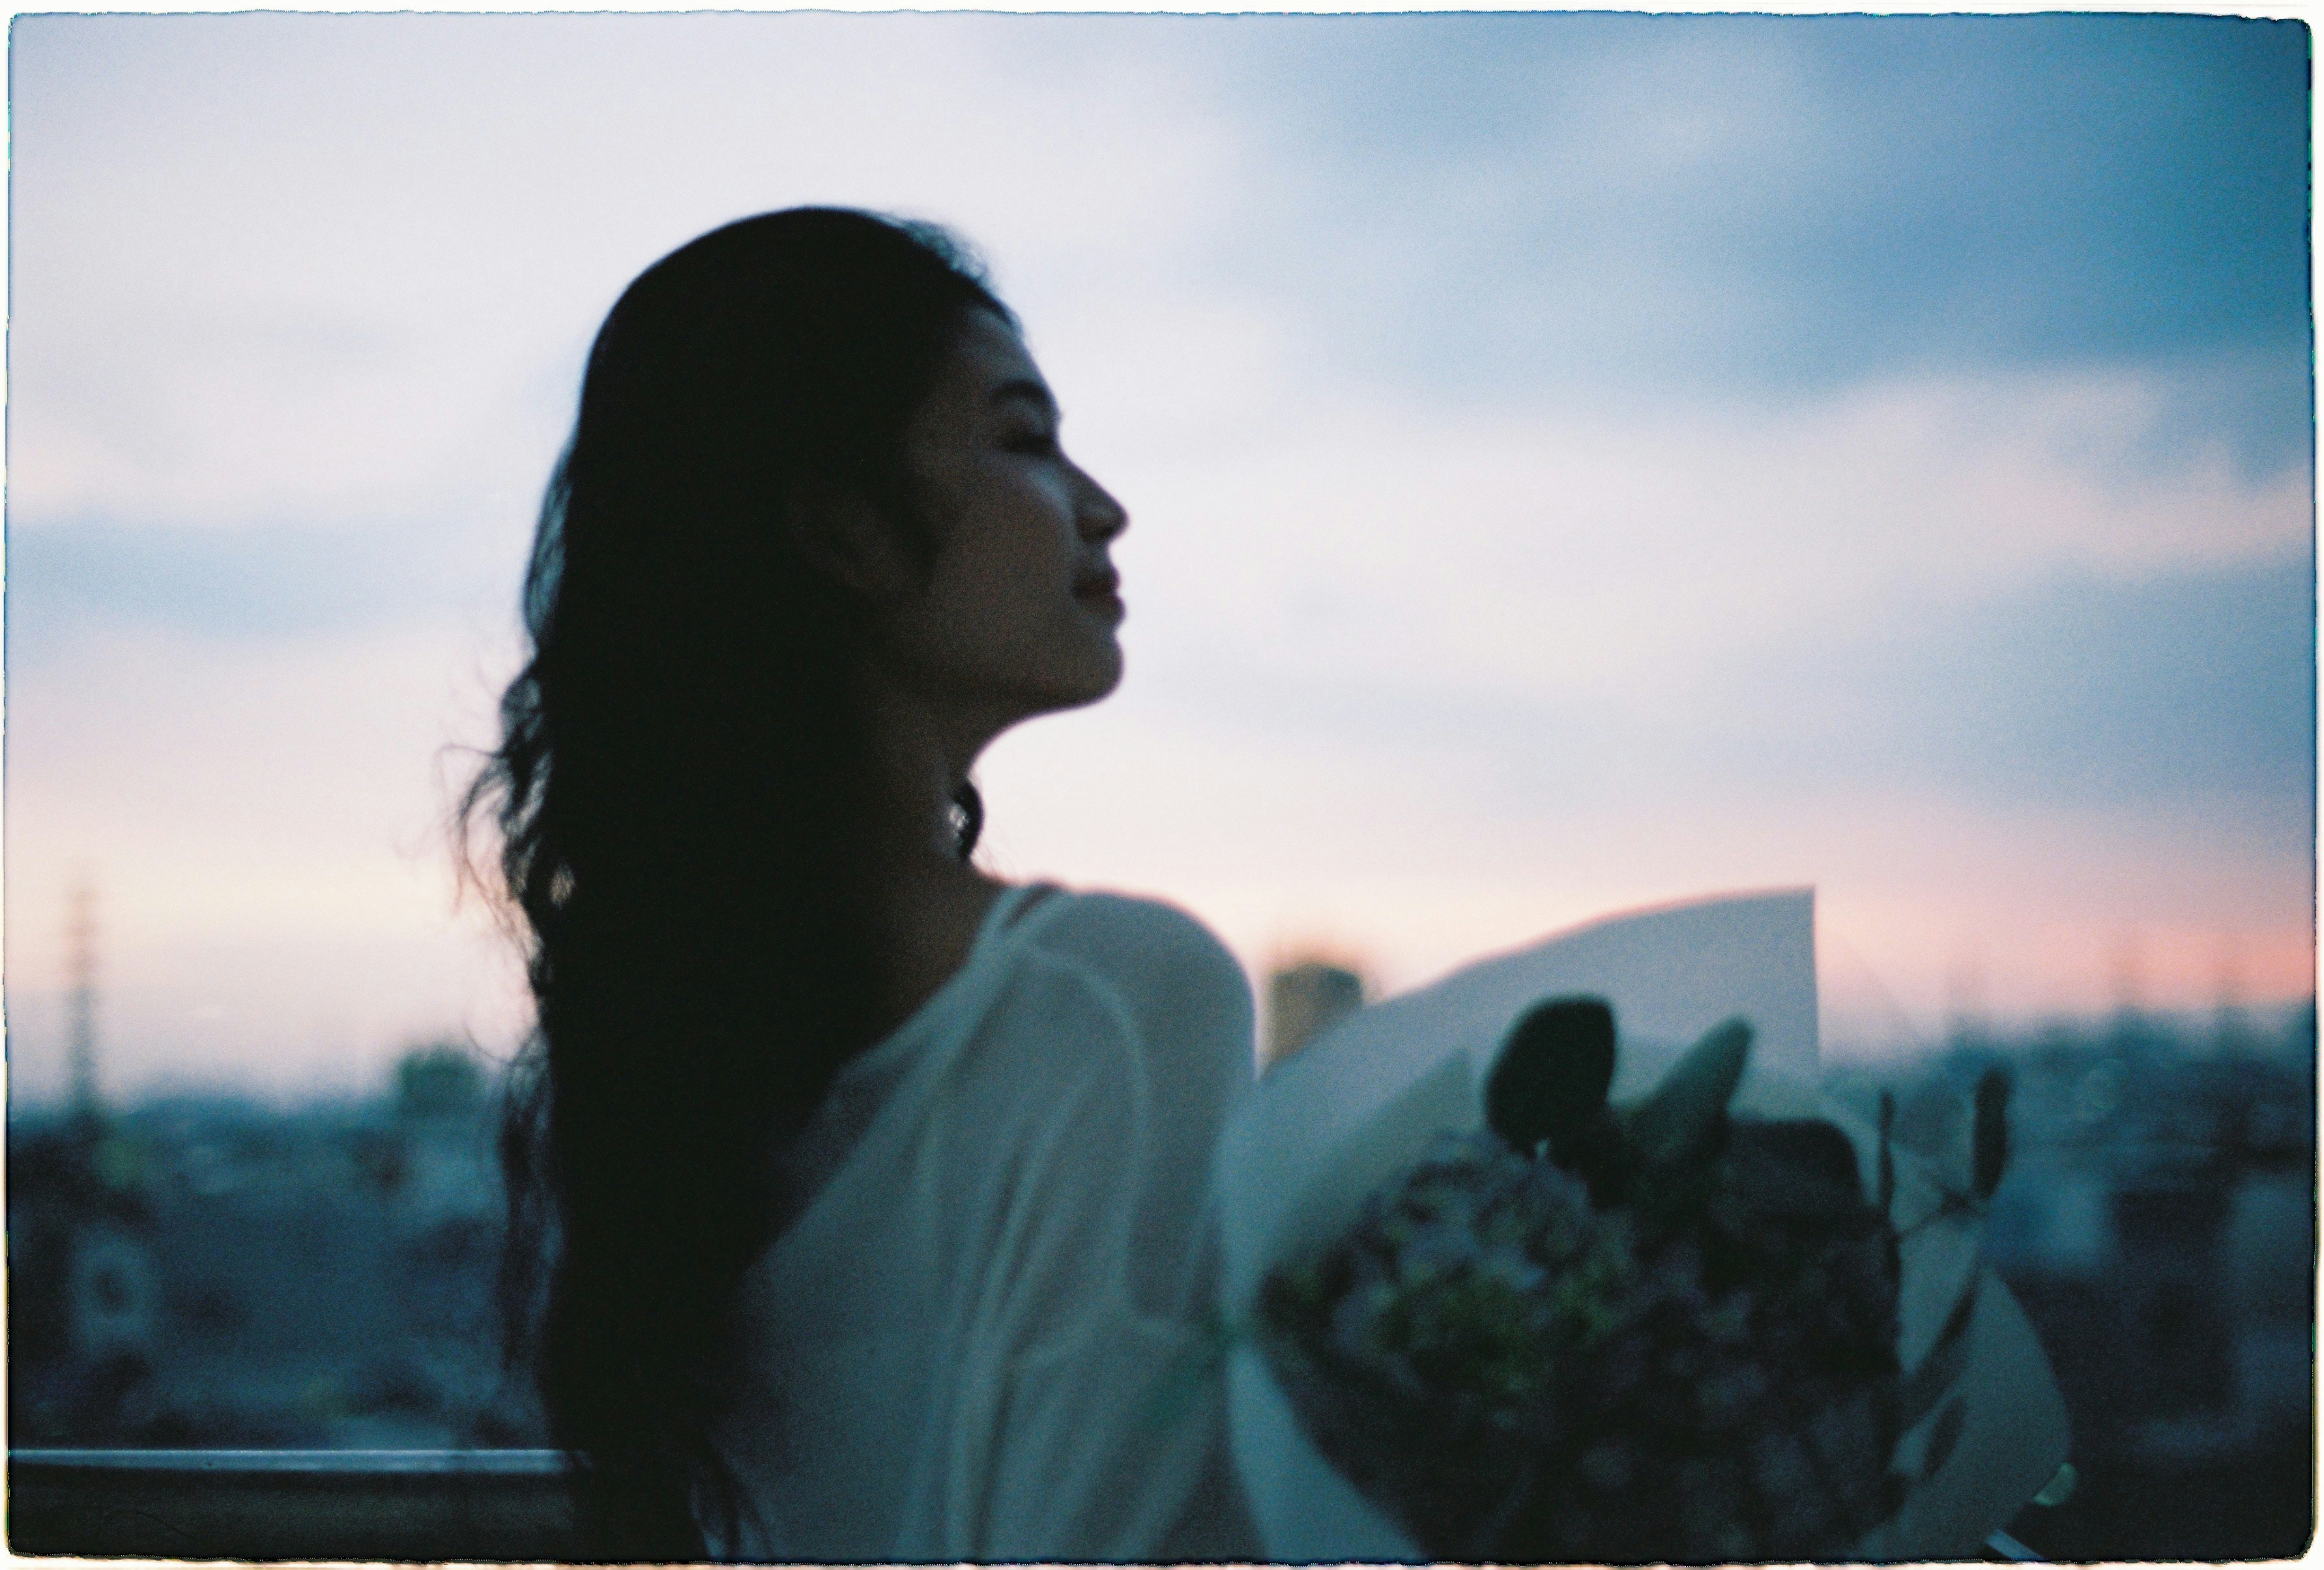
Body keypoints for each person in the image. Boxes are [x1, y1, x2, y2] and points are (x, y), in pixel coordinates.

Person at [463, 208, 1260, 1561]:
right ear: (840, 528)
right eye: (1022, 437)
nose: (1102, 504)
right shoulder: (1112, 1002)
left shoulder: (693, 1065)